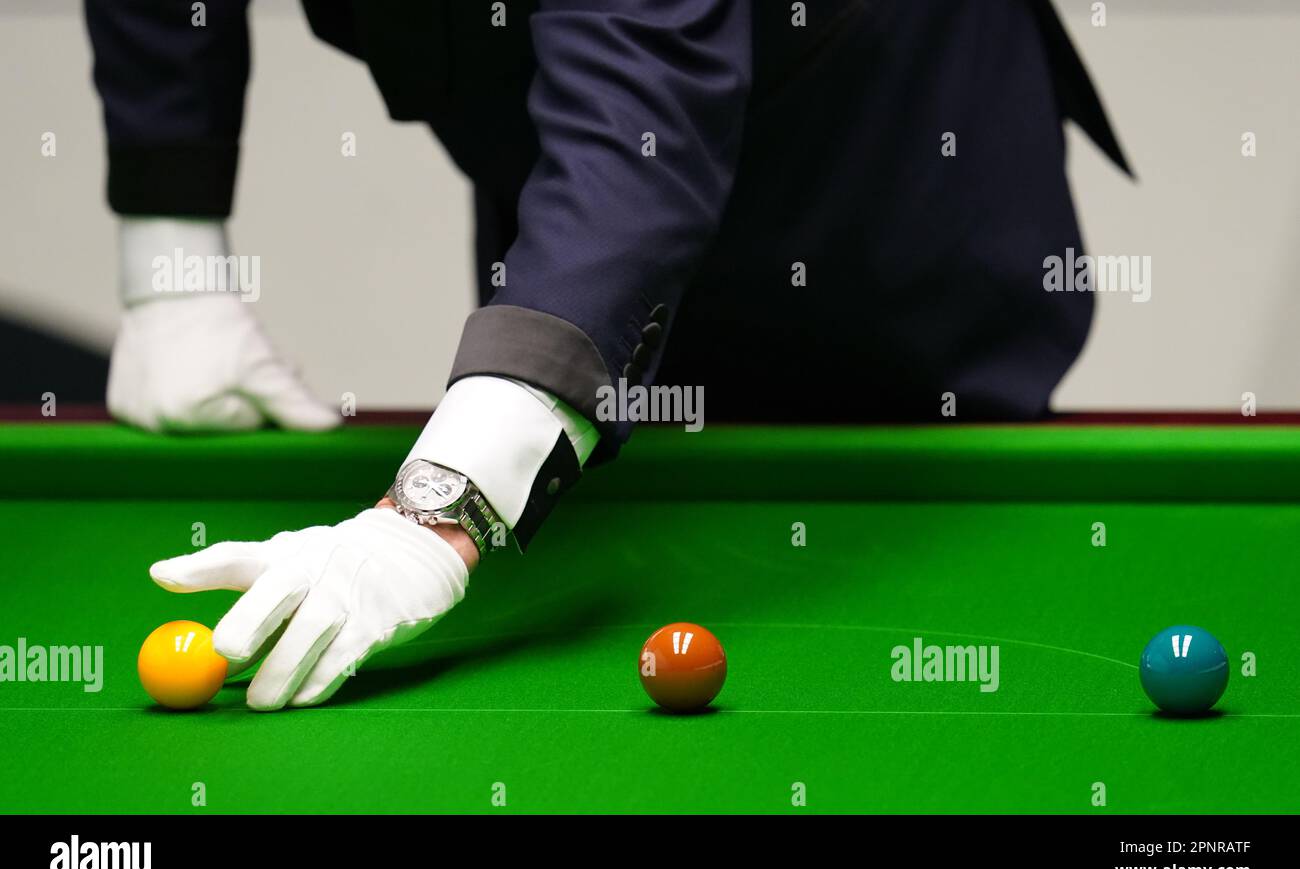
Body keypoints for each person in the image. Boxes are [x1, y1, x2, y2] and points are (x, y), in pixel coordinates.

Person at [85, 0, 1129, 709]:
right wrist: (169, 251)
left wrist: (437, 509)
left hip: (873, 162)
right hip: (566, 158)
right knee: (571, 380)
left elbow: (637, 120)